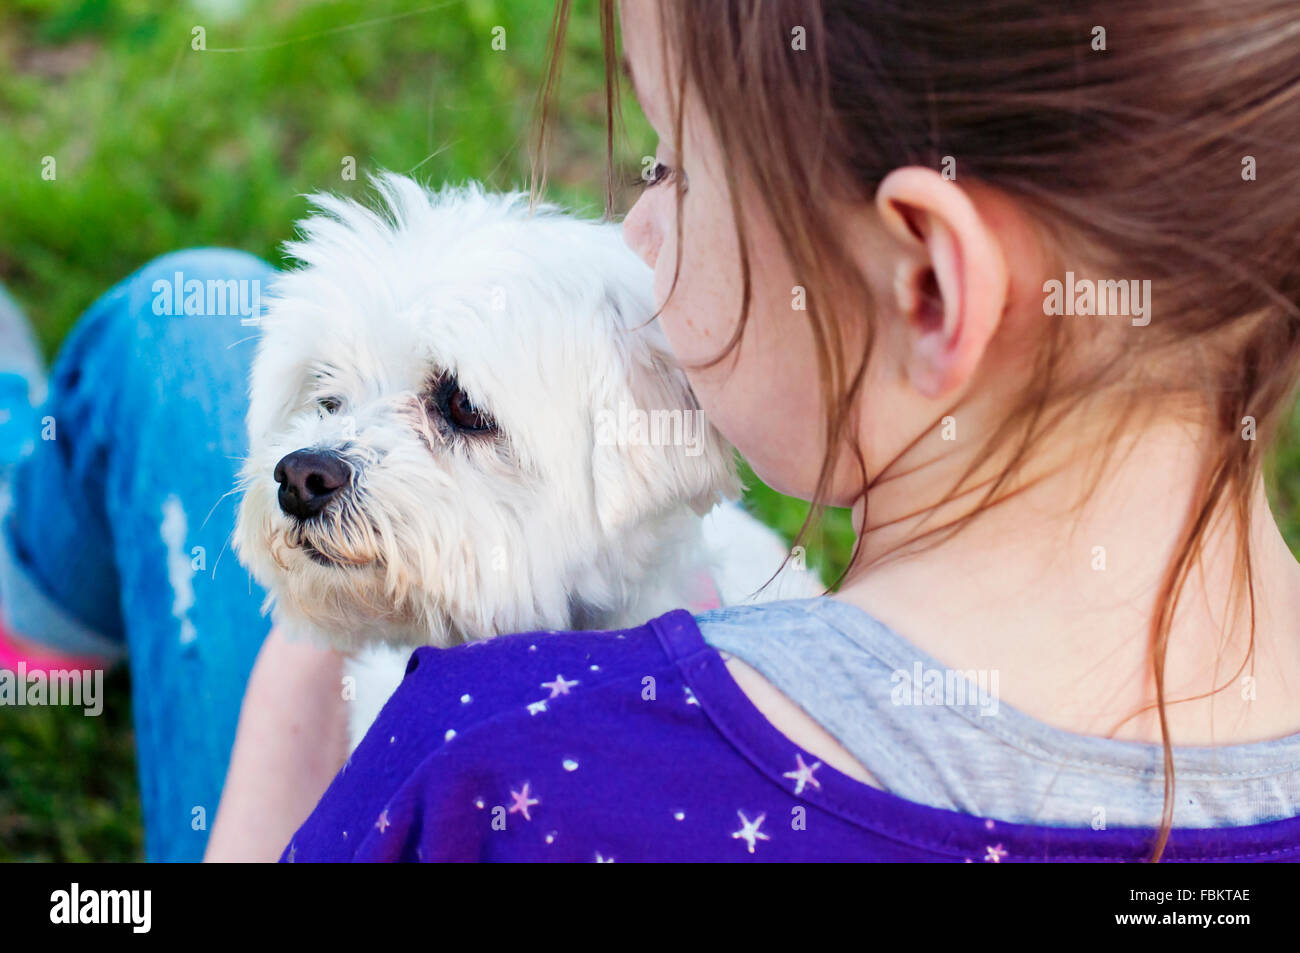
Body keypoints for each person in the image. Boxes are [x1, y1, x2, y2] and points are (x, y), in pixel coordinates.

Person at [6, 0, 1300, 862]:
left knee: (188, 325)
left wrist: (307, 648)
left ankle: (33, 551)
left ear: (929, 286)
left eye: (673, 166)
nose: (637, 230)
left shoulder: (484, 746)